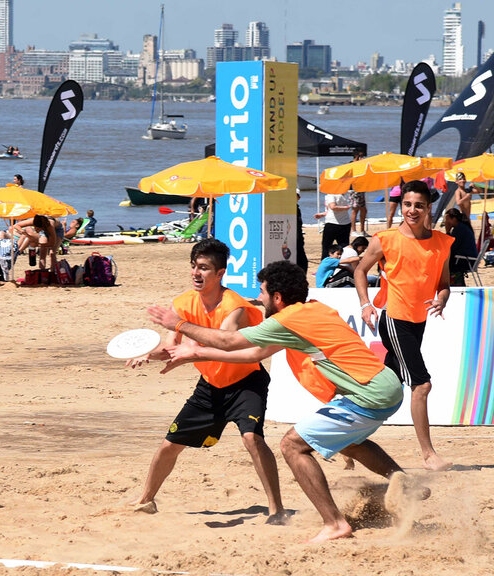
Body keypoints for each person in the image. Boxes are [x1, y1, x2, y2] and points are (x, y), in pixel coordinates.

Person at [154, 260, 427, 543]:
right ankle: (403, 483)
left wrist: (179, 325)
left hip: (369, 393)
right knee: (348, 440)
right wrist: (197, 355)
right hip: (387, 385)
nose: (258, 299)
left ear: (277, 297)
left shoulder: (286, 320)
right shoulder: (314, 309)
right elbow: (254, 355)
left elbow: (228, 340)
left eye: (262, 292)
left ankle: (334, 524)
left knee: (292, 445)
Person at [126, 239, 286, 524]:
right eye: (193, 267)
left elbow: (225, 344)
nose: (196, 273)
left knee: (252, 438)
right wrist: (148, 355)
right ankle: (145, 500)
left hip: (246, 382)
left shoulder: (234, 305)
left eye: (204, 268)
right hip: (211, 385)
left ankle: (276, 510)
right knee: (169, 445)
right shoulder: (183, 303)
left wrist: (189, 346)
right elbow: (169, 348)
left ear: (220, 273)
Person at [354, 180, 454, 471]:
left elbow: (444, 284)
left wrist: (442, 299)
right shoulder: (384, 239)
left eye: (418, 205)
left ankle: (347, 440)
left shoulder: (441, 243)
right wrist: (365, 304)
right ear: (402, 205)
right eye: (407, 204)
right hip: (395, 318)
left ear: (428, 208)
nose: (412, 210)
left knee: (385, 387)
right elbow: (360, 270)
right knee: (421, 384)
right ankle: (428, 455)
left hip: (419, 321)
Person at [444, 208, 478, 286]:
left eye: (447, 220)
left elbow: (451, 247)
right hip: (467, 258)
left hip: (465, 260)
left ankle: (453, 285)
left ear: (454, 219)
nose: (446, 222)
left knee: (444, 263)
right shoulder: (462, 227)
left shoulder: (459, 229)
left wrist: (447, 232)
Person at [313, 190, 351, 261]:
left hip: (333, 224)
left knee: (327, 246)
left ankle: (325, 264)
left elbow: (333, 207)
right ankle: (343, 263)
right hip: (344, 223)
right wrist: (322, 214)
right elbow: (332, 209)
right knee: (343, 246)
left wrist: (345, 208)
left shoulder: (331, 194)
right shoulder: (344, 195)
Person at [295, 189, 308, 273]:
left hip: (298, 238)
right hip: (293, 238)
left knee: (302, 262)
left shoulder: (297, 208)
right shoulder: (290, 208)